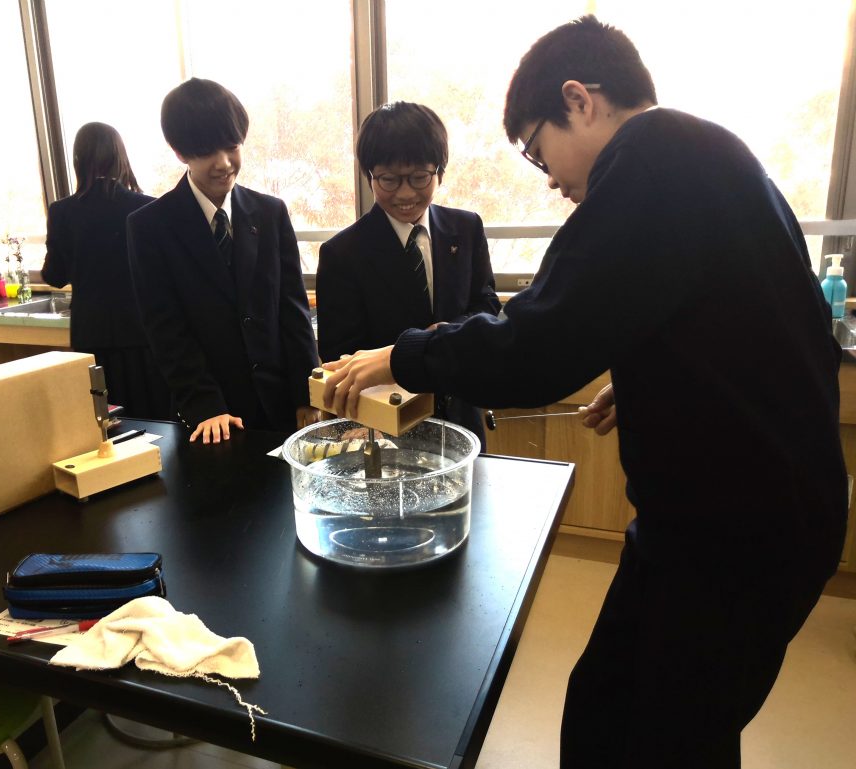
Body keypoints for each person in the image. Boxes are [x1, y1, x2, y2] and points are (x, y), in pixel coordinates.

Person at [319, 15, 848, 769]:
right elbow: (752, 323)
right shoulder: (708, 154)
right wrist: (664, 383)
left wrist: (402, 356)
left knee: (661, 736)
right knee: (611, 705)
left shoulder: (652, 161)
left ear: (579, 99)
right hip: (734, 516)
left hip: (738, 531)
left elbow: (537, 342)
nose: (553, 182)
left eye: (540, 152)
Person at [127, 78, 320, 443]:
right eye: (205, 152)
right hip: (209, 417)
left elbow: (293, 310)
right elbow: (165, 329)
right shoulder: (150, 226)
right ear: (179, 152)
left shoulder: (271, 212)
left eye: (232, 146)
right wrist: (206, 404)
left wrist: (306, 393)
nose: (224, 163)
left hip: (281, 407)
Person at [316, 101, 500, 444]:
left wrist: (439, 337)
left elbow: (486, 305)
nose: (405, 193)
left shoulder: (466, 228)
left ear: (439, 171)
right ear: (369, 175)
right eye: (389, 179)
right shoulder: (342, 254)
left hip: (462, 417)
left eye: (418, 177)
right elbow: (341, 355)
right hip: (386, 428)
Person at [41, 122, 168, 420]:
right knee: (153, 417)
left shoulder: (62, 211)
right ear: (121, 157)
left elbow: (55, 276)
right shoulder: (148, 207)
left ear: (78, 161)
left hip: (91, 334)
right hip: (143, 333)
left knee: (103, 419)